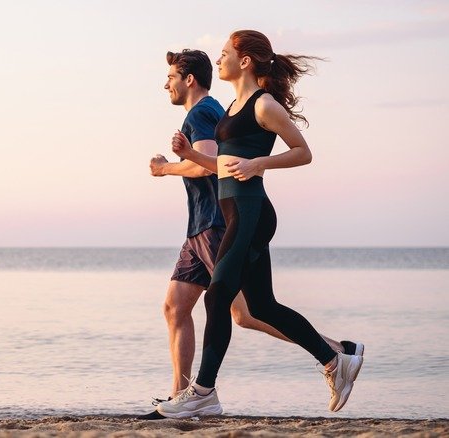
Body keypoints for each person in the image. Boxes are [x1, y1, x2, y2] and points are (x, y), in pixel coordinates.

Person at [143, 48, 362, 420]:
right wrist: (191, 156)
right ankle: (334, 357)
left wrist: (257, 163)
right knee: (258, 307)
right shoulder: (229, 109)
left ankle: (202, 393)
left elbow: (302, 152)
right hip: (228, 216)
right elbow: (222, 166)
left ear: (244, 60)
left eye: (225, 52)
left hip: (243, 216)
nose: (219, 58)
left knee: (224, 304)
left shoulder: (260, 105)